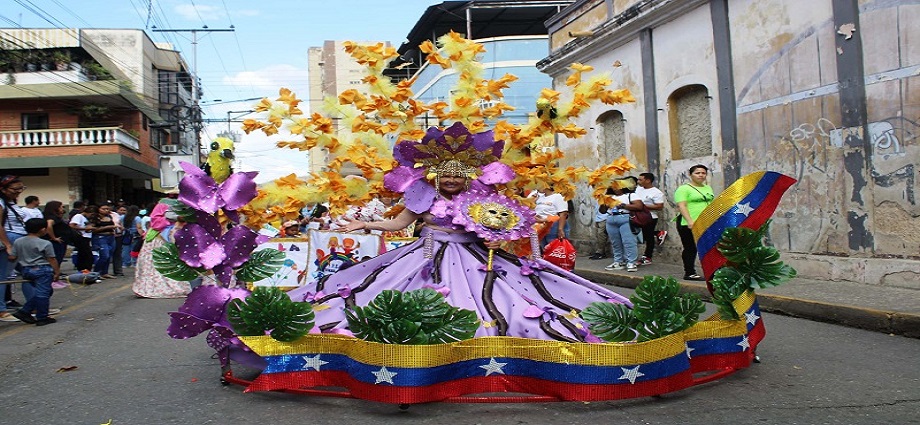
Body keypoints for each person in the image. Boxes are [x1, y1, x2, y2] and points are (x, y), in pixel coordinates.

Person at [287, 123, 632, 341]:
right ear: (435, 176)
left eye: (457, 174)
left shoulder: (481, 199)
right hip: (422, 255)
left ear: (468, 176)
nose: (451, 179)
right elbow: (399, 224)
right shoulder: (421, 195)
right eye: (444, 174)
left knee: (499, 300)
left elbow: (498, 230)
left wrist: (498, 239)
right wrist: (365, 224)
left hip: (474, 256)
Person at [132, 196, 192, 298]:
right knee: (155, 262)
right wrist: (175, 218)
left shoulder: (189, 204)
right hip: (159, 239)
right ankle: (152, 287)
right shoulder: (162, 205)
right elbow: (155, 222)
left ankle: (175, 286)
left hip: (176, 238)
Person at [8, 218, 60, 326]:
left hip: (26, 269)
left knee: (45, 291)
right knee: (43, 294)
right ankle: (42, 317)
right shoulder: (45, 243)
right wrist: (56, 272)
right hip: (42, 270)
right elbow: (51, 259)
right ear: (42, 230)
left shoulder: (18, 241)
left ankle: (26, 311)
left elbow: (12, 257)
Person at [674, 164, 715, 281]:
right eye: (697, 173)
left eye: (703, 173)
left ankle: (712, 272)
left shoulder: (708, 188)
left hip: (706, 222)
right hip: (688, 223)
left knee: (709, 247)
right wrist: (689, 221)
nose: (701, 175)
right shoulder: (683, 189)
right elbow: (682, 205)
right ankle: (689, 272)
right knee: (691, 248)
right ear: (690, 175)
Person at [603, 177, 645, 272]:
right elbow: (602, 211)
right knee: (615, 242)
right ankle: (618, 261)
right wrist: (603, 202)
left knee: (629, 241)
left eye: (617, 186)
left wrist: (622, 205)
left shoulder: (631, 195)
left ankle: (631, 262)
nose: (615, 188)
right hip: (611, 219)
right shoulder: (609, 197)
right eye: (613, 186)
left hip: (625, 218)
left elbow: (639, 206)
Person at [0, 175, 28, 321]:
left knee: (30, 272)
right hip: (9, 239)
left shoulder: (11, 202)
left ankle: (34, 305)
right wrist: (8, 245)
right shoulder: (1, 203)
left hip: (19, 239)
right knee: (3, 276)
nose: (19, 192)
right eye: (15, 189)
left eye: (21, 188)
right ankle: (1, 310)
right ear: (3, 189)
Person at [634, 172, 665, 265]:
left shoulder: (656, 192)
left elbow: (659, 206)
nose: (638, 181)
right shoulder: (638, 189)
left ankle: (648, 256)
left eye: (640, 179)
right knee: (640, 235)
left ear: (648, 180)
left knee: (648, 237)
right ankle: (658, 233)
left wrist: (643, 206)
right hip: (637, 216)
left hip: (650, 217)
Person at [90, 203, 119, 279]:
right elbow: (92, 229)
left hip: (111, 237)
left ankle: (104, 272)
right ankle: (96, 272)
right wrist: (107, 227)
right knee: (104, 255)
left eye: (107, 209)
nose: (106, 210)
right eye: (103, 209)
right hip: (101, 237)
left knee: (109, 255)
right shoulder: (95, 218)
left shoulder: (109, 216)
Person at [41, 200, 71, 269]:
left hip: (60, 241)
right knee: (57, 257)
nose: (62, 209)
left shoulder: (55, 217)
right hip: (56, 242)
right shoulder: (52, 218)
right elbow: (49, 225)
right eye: (61, 207)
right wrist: (54, 237)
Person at [69, 204, 96, 272]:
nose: (92, 216)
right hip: (81, 237)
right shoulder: (79, 216)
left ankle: (86, 270)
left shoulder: (86, 218)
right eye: (91, 214)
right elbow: (72, 225)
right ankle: (83, 269)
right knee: (85, 255)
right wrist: (83, 228)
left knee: (87, 255)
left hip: (87, 237)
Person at [111, 205, 127, 276]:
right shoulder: (99, 216)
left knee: (117, 253)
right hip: (107, 236)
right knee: (106, 254)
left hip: (118, 235)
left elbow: (120, 223)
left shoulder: (115, 215)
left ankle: (118, 271)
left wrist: (121, 228)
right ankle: (102, 272)